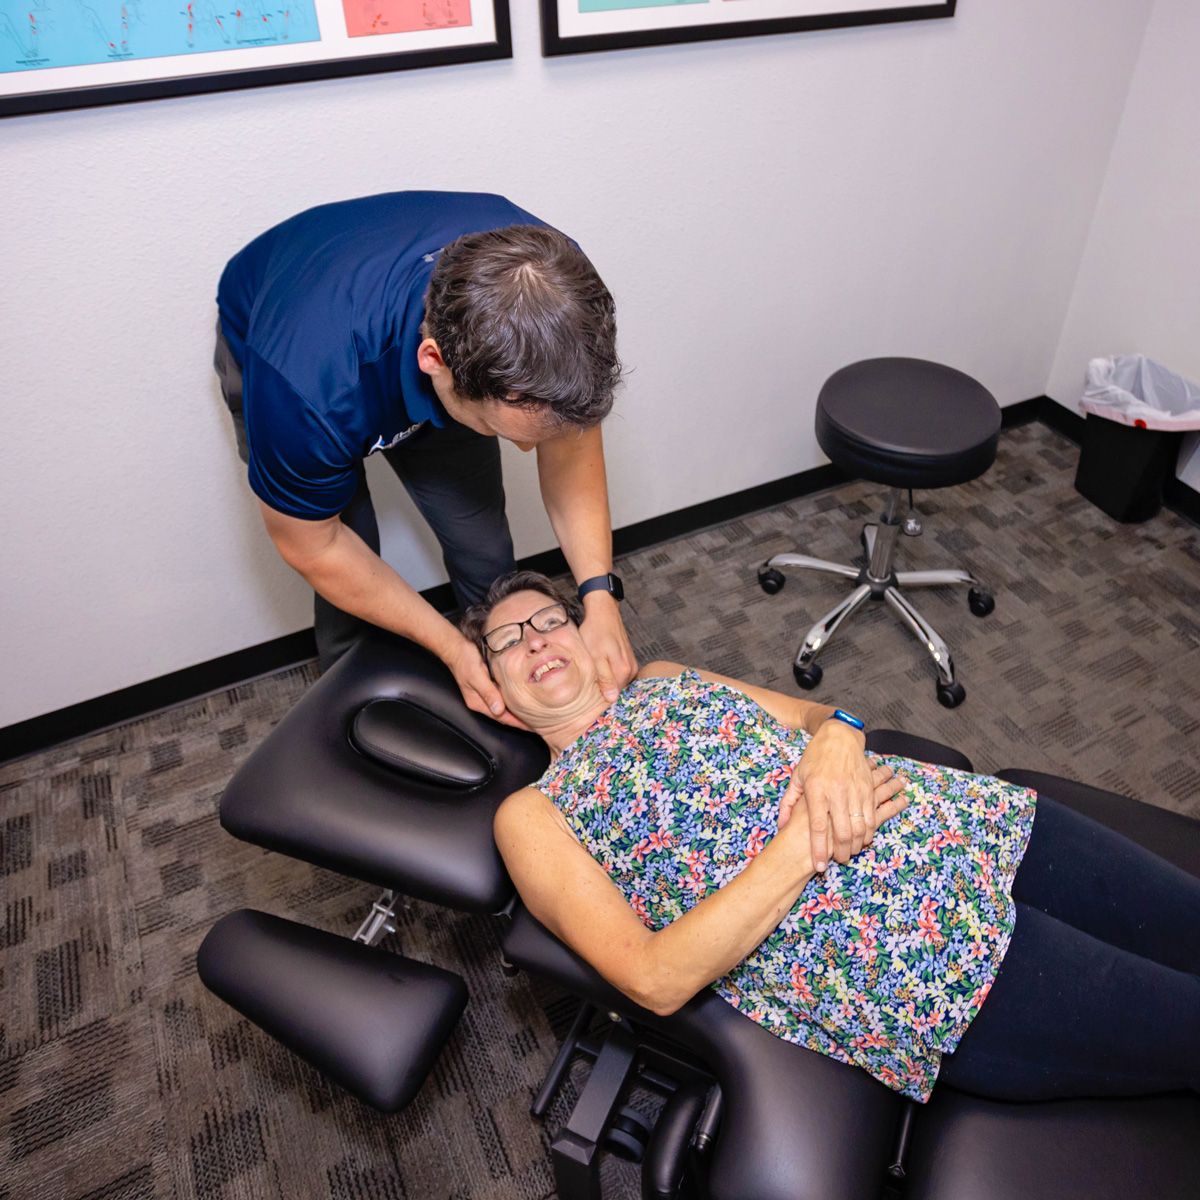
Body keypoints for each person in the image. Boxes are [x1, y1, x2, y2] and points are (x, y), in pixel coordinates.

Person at [467, 571, 1200, 1103]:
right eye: (507, 641)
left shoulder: (662, 678)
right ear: (496, 693)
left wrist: (841, 739)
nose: (535, 641)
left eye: (549, 621)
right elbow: (654, 980)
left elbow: (821, 717)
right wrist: (801, 848)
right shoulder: (534, 814)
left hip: (967, 821)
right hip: (920, 965)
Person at [214, 191, 636, 725]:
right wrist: (450, 647)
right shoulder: (300, 388)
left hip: (439, 361)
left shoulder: (556, 288)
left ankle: (508, 704)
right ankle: (357, 712)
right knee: (353, 562)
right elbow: (315, 548)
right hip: (301, 345)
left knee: (484, 547)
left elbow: (567, 442)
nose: (529, 450)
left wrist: (600, 596)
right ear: (435, 362)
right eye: (506, 432)